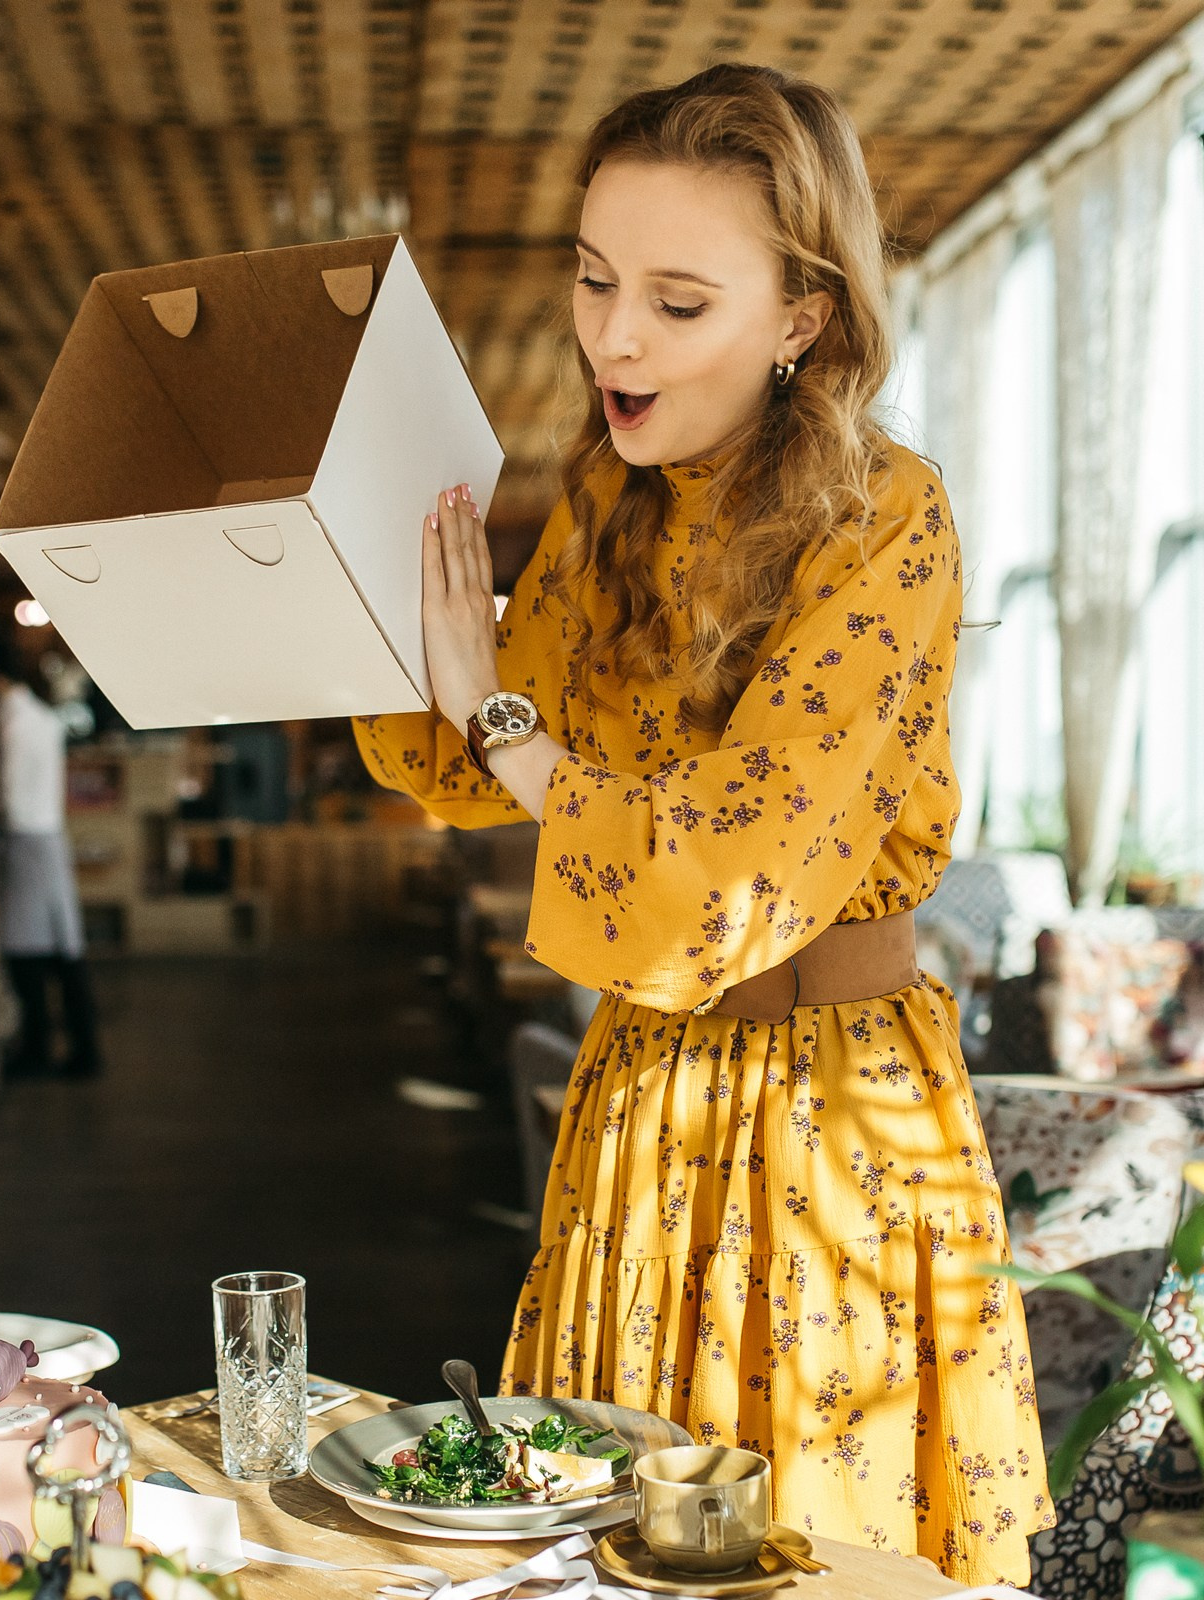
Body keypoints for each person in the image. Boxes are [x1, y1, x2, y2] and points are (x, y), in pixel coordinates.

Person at [353, 65, 1049, 1582]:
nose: (614, 336)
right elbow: (453, 769)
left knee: (814, 1546)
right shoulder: (615, 507)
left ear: (803, 314)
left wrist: (502, 716)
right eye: (598, 281)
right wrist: (359, 593)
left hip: (831, 1112)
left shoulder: (887, 517)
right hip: (639, 1094)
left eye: (678, 303)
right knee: (613, 1529)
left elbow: (734, 873)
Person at [0, 631, 102, 1079]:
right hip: (47, 838)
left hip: (26, 840)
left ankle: (43, 1050)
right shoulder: (39, 716)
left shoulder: (12, 721)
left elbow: (12, 798)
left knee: (28, 954)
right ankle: (81, 1049)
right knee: (61, 951)